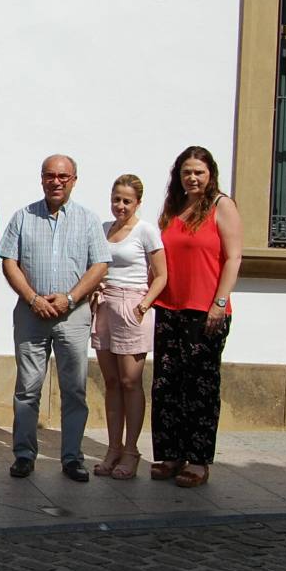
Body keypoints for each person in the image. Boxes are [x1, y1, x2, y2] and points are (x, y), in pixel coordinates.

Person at [1, 154, 110, 482]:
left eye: (63, 176)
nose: (56, 181)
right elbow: (9, 261)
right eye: (50, 175)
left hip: (72, 316)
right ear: (42, 179)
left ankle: (73, 458)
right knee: (27, 388)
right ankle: (23, 454)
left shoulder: (88, 220)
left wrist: (71, 297)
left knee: (74, 389)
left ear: (74, 180)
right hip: (32, 314)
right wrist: (33, 298)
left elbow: (100, 264)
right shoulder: (23, 217)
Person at [150, 147, 242, 488]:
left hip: (205, 311)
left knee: (200, 386)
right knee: (167, 383)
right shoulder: (174, 208)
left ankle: (199, 460)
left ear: (210, 174)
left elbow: (233, 258)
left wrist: (220, 301)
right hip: (169, 306)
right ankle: (172, 454)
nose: (192, 178)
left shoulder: (221, 206)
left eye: (199, 172)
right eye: (187, 172)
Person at [90, 174, 166, 481]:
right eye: (116, 199)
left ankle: (132, 450)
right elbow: (97, 265)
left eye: (126, 201)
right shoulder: (104, 229)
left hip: (132, 305)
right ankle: (113, 448)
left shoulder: (146, 231)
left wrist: (144, 304)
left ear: (137, 203)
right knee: (110, 382)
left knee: (130, 382)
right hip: (106, 304)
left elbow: (161, 275)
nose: (120, 206)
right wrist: (96, 289)